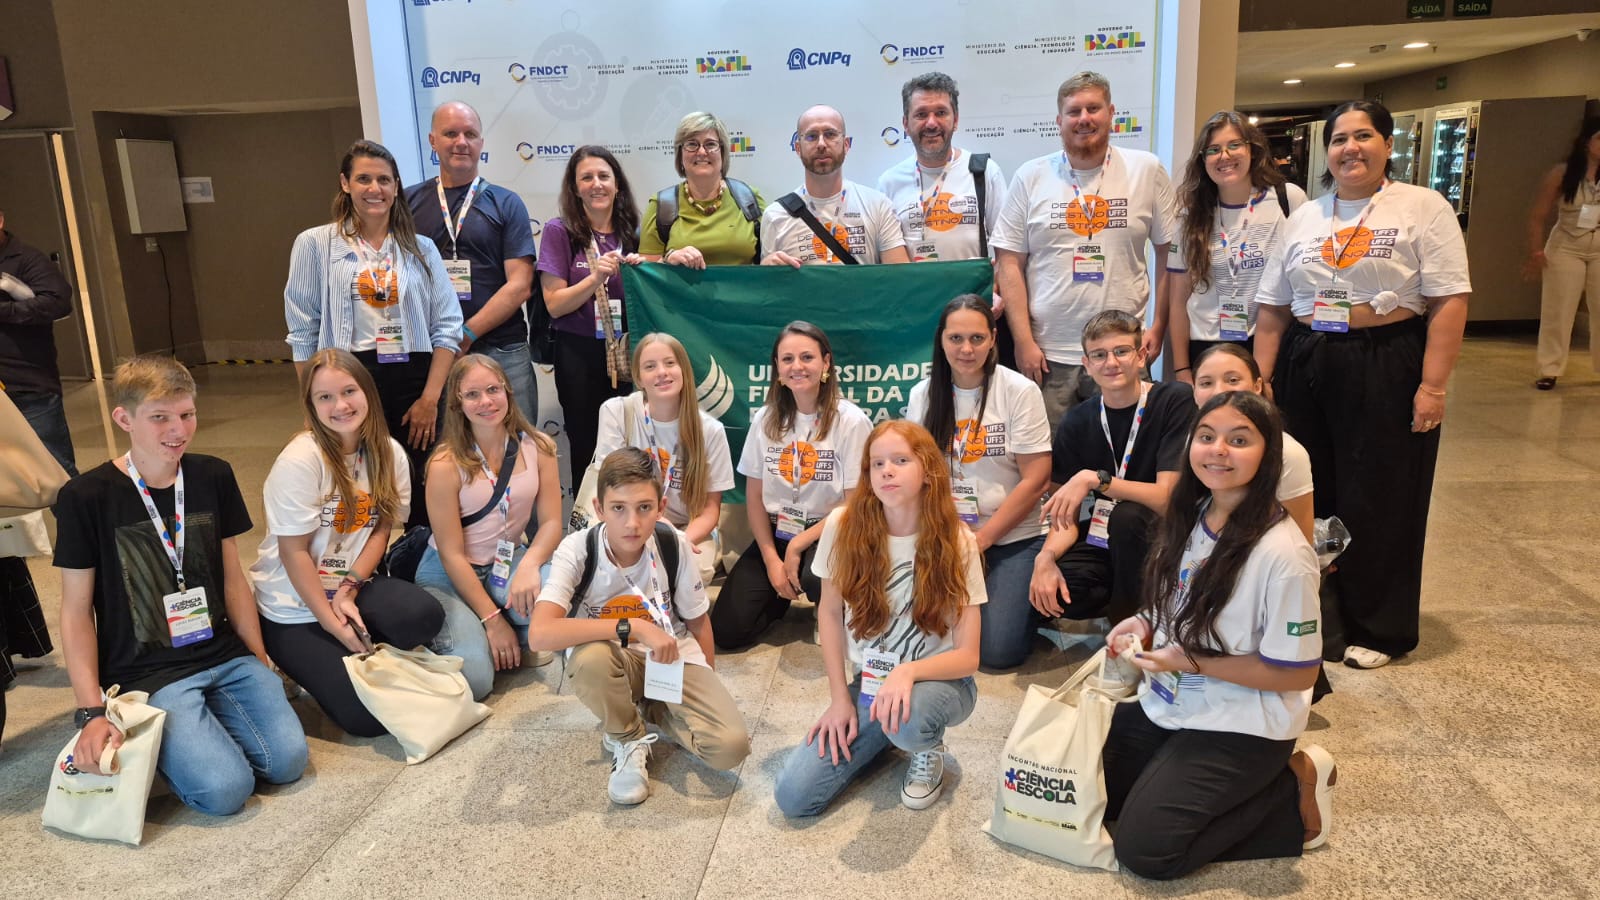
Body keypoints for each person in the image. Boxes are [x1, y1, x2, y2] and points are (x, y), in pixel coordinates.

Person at [1254, 99, 1471, 670]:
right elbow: (1273, 306)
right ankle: (1321, 616)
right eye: (1339, 139)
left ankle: (1380, 626)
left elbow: (1450, 300)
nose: (1350, 148)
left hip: (1385, 358)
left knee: (1382, 492)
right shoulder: (1306, 215)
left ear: (1388, 145)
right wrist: (1262, 379)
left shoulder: (1422, 206)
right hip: (1307, 356)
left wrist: (1433, 387)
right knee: (1308, 489)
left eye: (1364, 136)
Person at [54, 355, 307, 815]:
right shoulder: (85, 497)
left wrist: (260, 659)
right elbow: (75, 612)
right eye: (159, 418)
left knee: (287, 762)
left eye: (187, 414)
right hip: (146, 673)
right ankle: (175, 745)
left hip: (222, 652)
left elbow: (232, 578)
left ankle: (198, 730)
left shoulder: (212, 475)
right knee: (225, 791)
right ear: (124, 419)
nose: (178, 429)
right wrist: (91, 711)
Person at [1102, 391, 1336, 879]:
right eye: (1206, 436)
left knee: (1146, 850)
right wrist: (1144, 621)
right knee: (1095, 795)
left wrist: (1191, 661)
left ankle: (1291, 788)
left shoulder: (1285, 555)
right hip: (1175, 699)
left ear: (1269, 454)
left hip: (1244, 722)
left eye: (1239, 440)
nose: (1218, 450)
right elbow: (1179, 595)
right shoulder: (1196, 512)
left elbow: (1297, 674)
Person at [773, 421, 984, 816]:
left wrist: (907, 672)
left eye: (901, 461)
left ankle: (924, 744)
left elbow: (968, 656)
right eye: (877, 463)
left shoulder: (958, 541)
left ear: (928, 472)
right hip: (873, 681)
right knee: (794, 797)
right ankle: (887, 732)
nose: (887, 471)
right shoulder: (843, 525)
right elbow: (829, 614)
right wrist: (840, 700)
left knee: (911, 719)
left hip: (942, 683)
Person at [528, 448, 751, 806]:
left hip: (673, 655)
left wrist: (707, 682)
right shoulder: (578, 549)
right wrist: (631, 627)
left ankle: (652, 706)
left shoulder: (672, 543)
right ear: (599, 508)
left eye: (644, 507)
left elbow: (698, 621)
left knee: (730, 747)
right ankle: (627, 738)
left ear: (661, 507)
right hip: (614, 659)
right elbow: (540, 634)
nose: (632, 523)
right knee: (590, 660)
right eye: (618, 508)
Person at [250, 349, 444, 736]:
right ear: (311, 405)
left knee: (424, 616)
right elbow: (293, 551)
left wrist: (349, 588)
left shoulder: (389, 453)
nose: (340, 405)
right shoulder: (301, 460)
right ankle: (297, 660)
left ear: (368, 392)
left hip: (349, 586)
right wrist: (331, 621)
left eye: (349, 391)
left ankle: (352, 648)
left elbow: (381, 529)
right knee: (366, 719)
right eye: (325, 397)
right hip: (294, 605)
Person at [285, 139, 462, 525]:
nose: (374, 189)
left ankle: (417, 557)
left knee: (420, 483)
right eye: (363, 179)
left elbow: (447, 327)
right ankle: (363, 560)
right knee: (357, 487)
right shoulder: (314, 244)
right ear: (345, 183)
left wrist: (430, 398)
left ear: (396, 187)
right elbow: (302, 331)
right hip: (347, 378)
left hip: (414, 380)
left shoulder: (421, 248)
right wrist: (314, 401)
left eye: (384, 180)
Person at [992, 71, 1177, 426]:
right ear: (1059, 120)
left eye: (1093, 108)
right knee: (1052, 455)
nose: (1084, 119)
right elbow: (1009, 262)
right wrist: (1023, 341)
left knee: (1128, 451)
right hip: (1049, 356)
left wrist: (1159, 325)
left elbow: (1170, 253)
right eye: (1074, 111)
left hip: (1122, 353)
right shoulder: (1031, 176)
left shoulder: (1146, 170)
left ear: (1111, 113)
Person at [905, 295, 1050, 669]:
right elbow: (919, 478)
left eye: (977, 338)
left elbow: (1036, 480)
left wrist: (982, 541)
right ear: (941, 340)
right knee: (926, 633)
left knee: (998, 652)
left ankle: (1027, 601)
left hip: (1012, 537)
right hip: (949, 535)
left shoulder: (1020, 391)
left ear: (993, 339)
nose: (966, 349)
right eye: (956, 338)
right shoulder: (923, 394)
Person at [711, 322, 873, 649]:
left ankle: (829, 608)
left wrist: (798, 545)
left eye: (807, 357)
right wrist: (772, 559)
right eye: (787, 359)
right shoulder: (766, 418)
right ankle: (780, 595)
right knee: (726, 632)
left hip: (831, 532)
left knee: (814, 576)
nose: (797, 366)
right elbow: (754, 497)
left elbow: (855, 504)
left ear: (826, 362)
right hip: (778, 530)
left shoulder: (851, 421)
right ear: (777, 368)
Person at [1031, 311, 1194, 628]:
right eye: (1099, 355)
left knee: (1126, 516)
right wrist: (1045, 557)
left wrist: (1097, 480)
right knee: (1055, 594)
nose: (1111, 362)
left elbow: (1167, 499)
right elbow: (1064, 516)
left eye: (1121, 351)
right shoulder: (1078, 420)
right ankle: (1141, 599)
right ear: (1087, 364)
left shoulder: (1173, 399)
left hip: (1164, 532)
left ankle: (1130, 632)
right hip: (1106, 535)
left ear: (1141, 356)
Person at [416, 353, 563, 699]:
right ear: (457, 403)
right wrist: (493, 621)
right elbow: (451, 555)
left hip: (508, 561)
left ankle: (502, 628)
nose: (486, 401)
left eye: (493, 390)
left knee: (558, 602)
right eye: (472, 394)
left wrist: (529, 566)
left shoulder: (539, 447)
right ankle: (487, 629)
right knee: (478, 680)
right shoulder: (444, 464)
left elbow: (552, 523)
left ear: (508, 391)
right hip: (449, 574)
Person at [406, 101, 540, 420]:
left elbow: (520, 285)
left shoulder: (506, 203)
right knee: (445, 446)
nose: (461, 142)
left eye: (470, 134)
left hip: (503, 349)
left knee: (517, 443)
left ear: (481, 142)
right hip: (434, 355)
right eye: (450, 133)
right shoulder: (407, 203)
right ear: (432, 141)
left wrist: (464, 336)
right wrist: (448, 343)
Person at [878, 72, 1015, 367]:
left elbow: (1007, 250)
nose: (931, 123)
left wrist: (996, 292)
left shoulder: (983, 171)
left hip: (976, 319)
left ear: (955, 119)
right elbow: (889, 260)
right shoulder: (889, 182)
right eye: (921, 114)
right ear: (905, 123)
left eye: (941, 112)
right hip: (918, 321)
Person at [1168, 112, 1307, 381]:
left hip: (1268, 343)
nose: (1224, 156)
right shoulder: (1191, 214)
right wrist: (1182, 369)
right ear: (1203, 159)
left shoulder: (1287, 199)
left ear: (1252, 150)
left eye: (1234, 145)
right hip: (1206, 346)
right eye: (1213, 150)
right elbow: (1178, 301)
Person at [537, 146, 640, 489]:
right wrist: (596, 277)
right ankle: (588, 516)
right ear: (575, 187)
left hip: (626, 352)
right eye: (587, 177)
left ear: (617, 185)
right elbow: (554, 304)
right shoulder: (560, 231)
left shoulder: (632, 231)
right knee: (587, 444)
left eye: (604, 176)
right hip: (578, 354)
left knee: (630, 443)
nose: (597, 184)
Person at [593, 333, 734, 580]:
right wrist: (653, 525)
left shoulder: (710, 430)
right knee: (609, 569)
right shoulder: (617, 412)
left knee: (693, 570)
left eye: (670, 363)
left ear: (684, 370)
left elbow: (710, 510)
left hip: (684, 528)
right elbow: (612, 489)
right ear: (639, 378)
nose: (662, 372)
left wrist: (678, 540)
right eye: (650, 366)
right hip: (627, 520)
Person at [760, 105, 910, 267]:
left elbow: (897, 276)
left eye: (830, 134)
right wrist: (766, 271)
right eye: (811, 136)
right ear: (798, 148)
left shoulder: (878, 206)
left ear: (846, 144)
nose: (821, 144)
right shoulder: (776, 215)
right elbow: (769, 282)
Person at [1191, 344, 1314, 541]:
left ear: (1257, 386)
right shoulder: (1193, 440)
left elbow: (1301, 540)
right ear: (1194, 391)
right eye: (1206, 383)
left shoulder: (1288, 453)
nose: (1219, 391)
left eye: (1232, 380)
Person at [0, 205, 77, 475]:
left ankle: (73, 505)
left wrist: (5, 310)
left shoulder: (27, 259)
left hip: (27, 383)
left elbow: (58, 303)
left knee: (56, 467)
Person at [1526, 117, 1600, 390]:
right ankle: (1550, 369)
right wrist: (1536, 251)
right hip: (1566, 246)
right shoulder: (1563, 173)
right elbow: (1538, 215)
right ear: (1587, 142)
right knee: (1558, 310)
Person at [639, 112, 766, 267]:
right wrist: (668, 260)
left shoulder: (750, 199)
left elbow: (769, 261)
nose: (701, 152)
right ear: (680, 154)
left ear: (723, 152)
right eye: (692, 144)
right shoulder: (660, 206)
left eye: (710, 144)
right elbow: (647, 273)